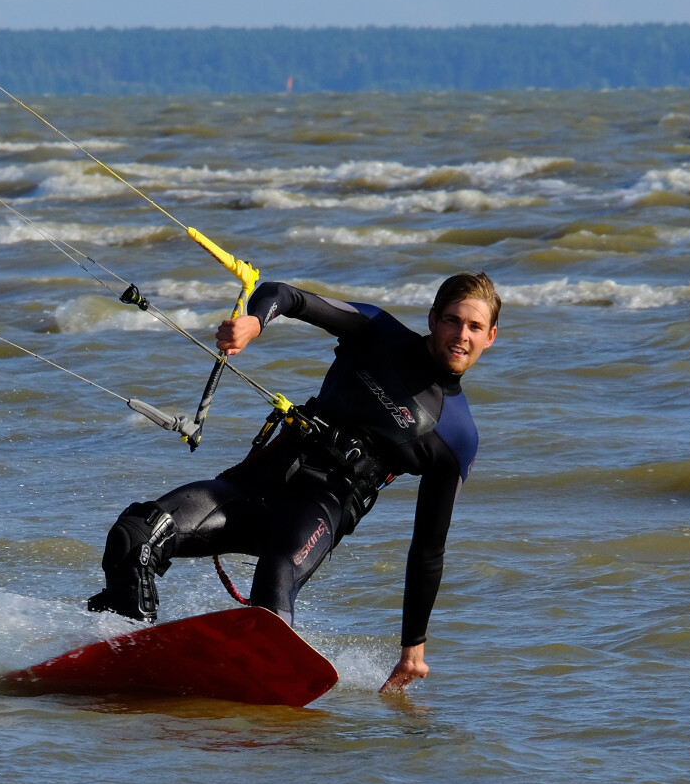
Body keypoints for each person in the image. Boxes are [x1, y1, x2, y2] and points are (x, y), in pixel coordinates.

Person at [87, 272, 500, 693]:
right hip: (253, 487)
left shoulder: (457, 438)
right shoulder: (377, 332)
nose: (461, 335)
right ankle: (126, 658)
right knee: (135, 536)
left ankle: (262, 715)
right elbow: (284, 295)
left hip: (315, 514)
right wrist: (255, 322)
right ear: (433, 319)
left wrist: (413, 648)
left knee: (272, 597)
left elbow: (429, 549)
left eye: (474, 327)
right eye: (453, 320)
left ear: (490, 337)